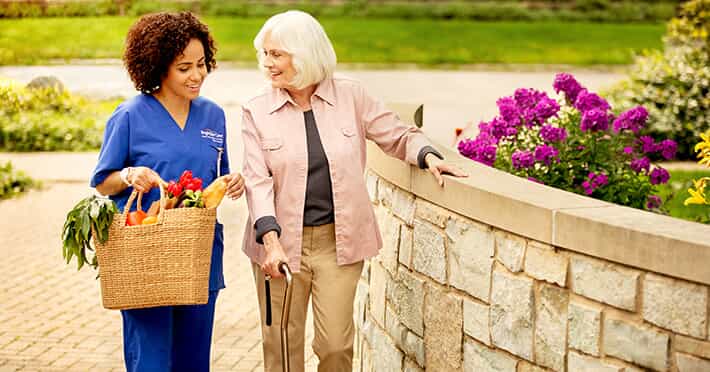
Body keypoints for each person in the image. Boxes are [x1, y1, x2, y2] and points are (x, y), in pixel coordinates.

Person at [240, 10, 466, 372]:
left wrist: (427, 156)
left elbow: (396, 134)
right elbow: (256, 179)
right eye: (264, 54)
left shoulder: (350, 96)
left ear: (304, 55)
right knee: (281, 346)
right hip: (278, 246)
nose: (267, 63)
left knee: (335, 347)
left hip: (337, 244)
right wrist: (270, 241)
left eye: (277, 54)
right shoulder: (256, 110)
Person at [90, 12, 244, 371]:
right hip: (147, 256)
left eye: (202, 64)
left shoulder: (213, 116)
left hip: (197, 255)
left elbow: (215, 181)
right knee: (152, 361)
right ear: (159, 68)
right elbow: (102, 181)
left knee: (193, 361)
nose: (197, 75)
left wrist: (232, 182)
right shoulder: (129, 115)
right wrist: (130, 175)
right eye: (184, 67)